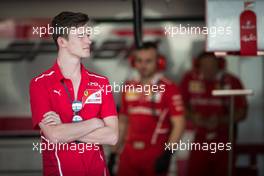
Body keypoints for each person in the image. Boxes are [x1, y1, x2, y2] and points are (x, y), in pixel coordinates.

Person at [29, 11, 118, 176]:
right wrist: (95, 122)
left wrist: (65, 127)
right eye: (80, 36)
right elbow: (54, 136)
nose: (88, 40)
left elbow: (112, 137)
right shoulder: (40, 84)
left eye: (88, 35)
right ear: (62, 41)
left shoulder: (101, 82)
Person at [112, 42, 185, 176]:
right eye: (139, 61)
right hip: (129, 153)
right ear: (134, 62)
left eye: (148, 61)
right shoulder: (129, 86)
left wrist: (168, 153)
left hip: (155, 153)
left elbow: (179, 124)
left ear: (159, 62)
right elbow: (123, 119)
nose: (143, 65)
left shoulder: (169, 88)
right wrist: (114, 149)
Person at [181, 52, 248, 176]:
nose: (208, 70)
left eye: (212, 66)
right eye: (204, 66)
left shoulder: (231, 81)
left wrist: (221, 120)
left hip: (224, 137)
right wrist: (193, 116)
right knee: (195, 171)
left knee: (223, 171)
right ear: (197, 66)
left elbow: (242, 113)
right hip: (199, 137)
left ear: (220, 65)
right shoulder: (190, 79)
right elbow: (180, 106)